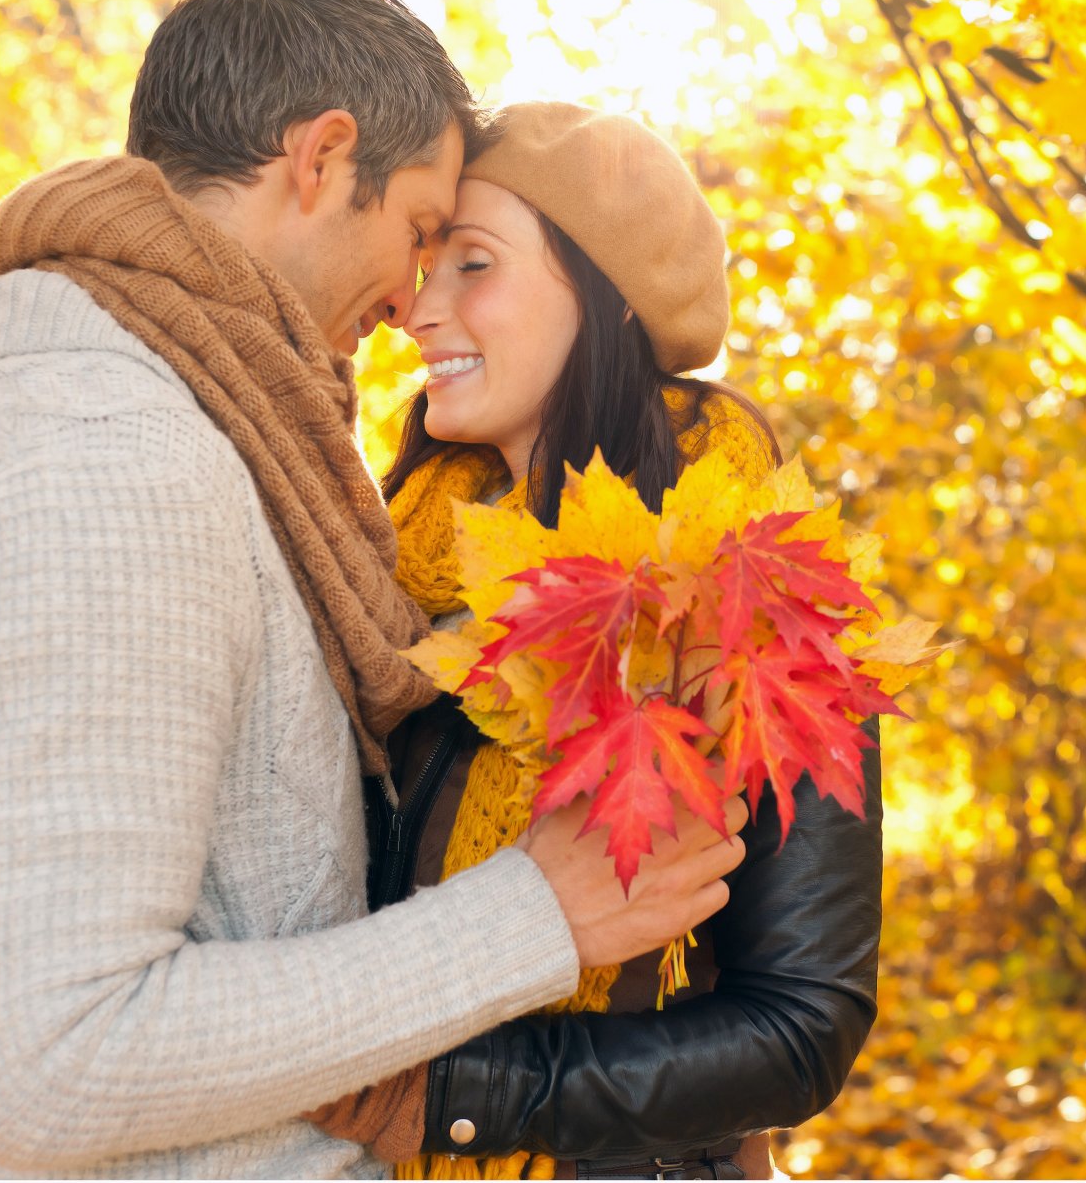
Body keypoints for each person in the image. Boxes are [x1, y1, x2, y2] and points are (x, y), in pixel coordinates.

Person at [0, 0, 745, 1179]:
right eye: (419, 232)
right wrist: (533, 915)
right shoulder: (109, 466)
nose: (410, 300)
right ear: (321, 159)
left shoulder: (77, 416)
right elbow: (56, 1060)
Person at [304, 103, 884, 1180]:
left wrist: (456, 1096)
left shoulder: (744, 600)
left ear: (608, 297)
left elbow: (803, 1026)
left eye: (474, 263)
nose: (418, 309)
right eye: (426, 265)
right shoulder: (392, 575)